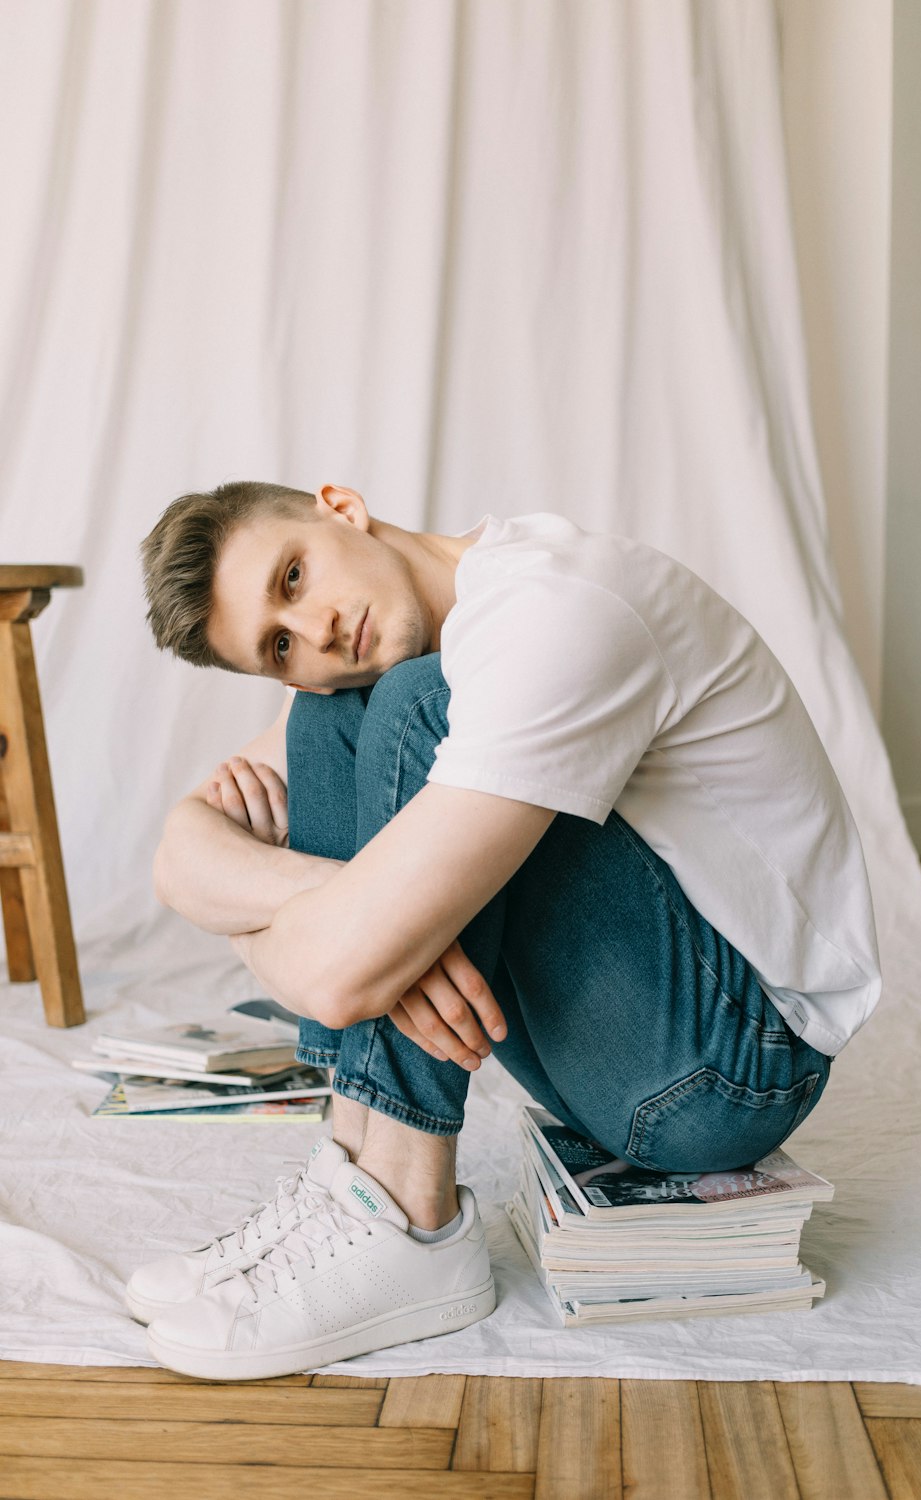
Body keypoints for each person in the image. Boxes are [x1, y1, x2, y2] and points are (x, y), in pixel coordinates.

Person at [129, 479, 881, 1380]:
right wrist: (342, 905)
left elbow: (335, 978)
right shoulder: (351, 666)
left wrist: (329, 932)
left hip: (734, 1067)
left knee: (413, 705)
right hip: (622, 1056)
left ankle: (410, 1218)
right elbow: (181, 853)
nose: (316, 630)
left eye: (294, 576)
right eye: (278, 645)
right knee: (336, 715)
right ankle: (355, 1172)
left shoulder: (554, 610)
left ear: (340, 506)